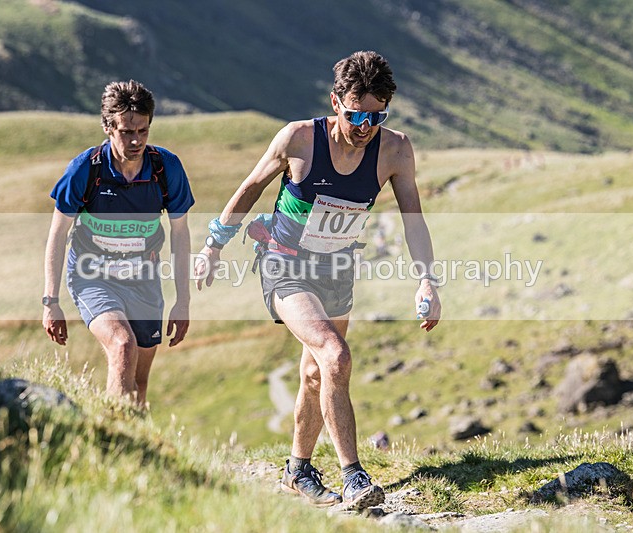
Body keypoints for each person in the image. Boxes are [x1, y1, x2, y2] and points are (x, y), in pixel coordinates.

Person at [194, 51, 441, 509]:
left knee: (316, 373)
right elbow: (251, 187)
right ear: (335, 102)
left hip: (337, 269)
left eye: (377, 116)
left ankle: (298, 469)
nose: (365, 126)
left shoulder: (395, 150)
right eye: (356, 115)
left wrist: (427, 281)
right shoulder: (299, 139)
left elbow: (414, 220)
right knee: (335, 354)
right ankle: (354, 475)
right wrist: (213, 245)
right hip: (284, 264)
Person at [42, 80, 194, 406]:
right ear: (108, 127)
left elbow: (180, 234)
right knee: (122, 345)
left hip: (143, 279)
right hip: (92, 275)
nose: (136, 140)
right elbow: (58, 234)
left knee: (139, 380)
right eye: (126, 132)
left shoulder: (165, 168)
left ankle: (133, 435)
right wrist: (50, 301)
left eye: (143, 130)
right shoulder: (86, 169)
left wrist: (183, 301)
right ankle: (113, 430)